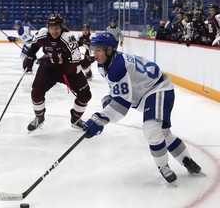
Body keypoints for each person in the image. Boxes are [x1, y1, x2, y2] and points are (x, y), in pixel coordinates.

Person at [83, 32, 201, 183]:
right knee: (162, 132)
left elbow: (122, 106)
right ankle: (186, 160)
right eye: (94, 49)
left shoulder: (117, 66)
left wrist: (100, 119)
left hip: (158, 88)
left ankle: (163, 166)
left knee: (151, 129)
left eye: (99, 49)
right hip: (145, 94)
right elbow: (117, 86)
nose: (95, 53)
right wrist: (110, 96)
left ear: (109, 49)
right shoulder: (104, 64)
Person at [22, 13, 92, 132]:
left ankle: (76, 119)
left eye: (57, 28)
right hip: (49, 69)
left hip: (68, 70)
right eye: (52, 28)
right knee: (36, 92)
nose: (54, 31)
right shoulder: (42, 34)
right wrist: (29, 57)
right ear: (48, 28)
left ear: (61, 27)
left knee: (85, 95)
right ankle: (39, 117)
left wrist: (59, 59)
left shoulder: (68, 37)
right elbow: (34, 46)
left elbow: (75, 56)